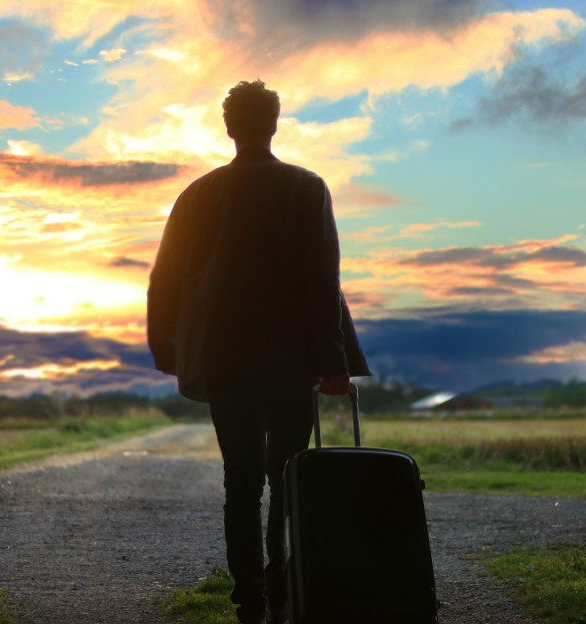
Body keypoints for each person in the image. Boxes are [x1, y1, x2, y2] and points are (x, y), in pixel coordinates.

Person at [147, 79, 371, 624]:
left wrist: (169, 350)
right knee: (289, 476)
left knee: (240, 481)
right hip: (293, 359)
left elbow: (164, 280)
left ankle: (249, 600)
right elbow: (322, 280)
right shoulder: (305, 187)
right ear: (274, 124)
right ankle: (283, 587)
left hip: (223, 360)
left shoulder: (196, 194)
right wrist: (334, 361)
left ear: (229, 128)